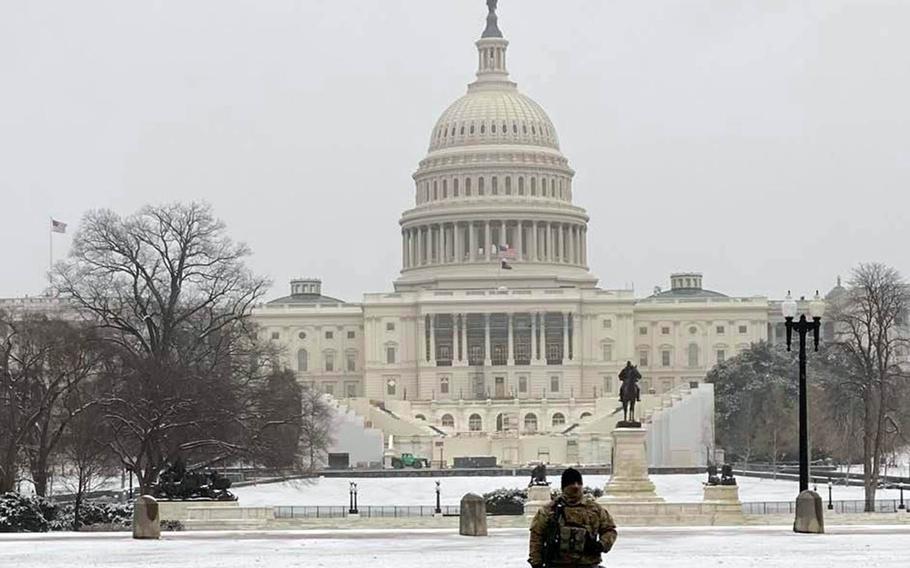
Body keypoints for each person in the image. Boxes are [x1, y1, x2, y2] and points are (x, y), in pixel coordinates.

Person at [528, 468, 617, 568]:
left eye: (578, 483)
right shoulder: (549, 511)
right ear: (563, 487)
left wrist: (601, 545)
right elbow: (536, 537)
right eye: (571, 483)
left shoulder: (595, 509)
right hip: (557, 564)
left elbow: (609, 530)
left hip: (588, 563)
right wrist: (536, 563)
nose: (575, 486)